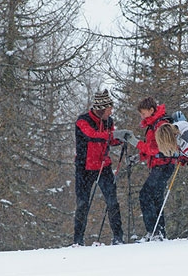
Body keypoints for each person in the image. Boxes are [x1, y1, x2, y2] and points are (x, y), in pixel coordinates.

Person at [117, 97, 176, 242]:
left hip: (164, 164)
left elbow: (157, 149)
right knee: (155, 197)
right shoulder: (153, 124)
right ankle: (159, 231)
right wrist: (139, 157)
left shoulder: (161, 124)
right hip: (160, 164)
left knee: (145, 194)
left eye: (143, 114)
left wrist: (135, 143)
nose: (142, 117)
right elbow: (152, 148)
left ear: (151, 110)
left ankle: (153, 231)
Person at [73, 89, 124, 246]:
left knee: (112, 202)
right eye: (109, 109)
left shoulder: (109, 121)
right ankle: (78, 240)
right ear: (101, 108)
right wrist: (111, 136)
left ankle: (118, 237)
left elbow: (110, 140)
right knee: (82, 204)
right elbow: (92, 135)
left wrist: (120, 139)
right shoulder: (83, 120)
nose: (110, 112)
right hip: (84, 168)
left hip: (104, 166)